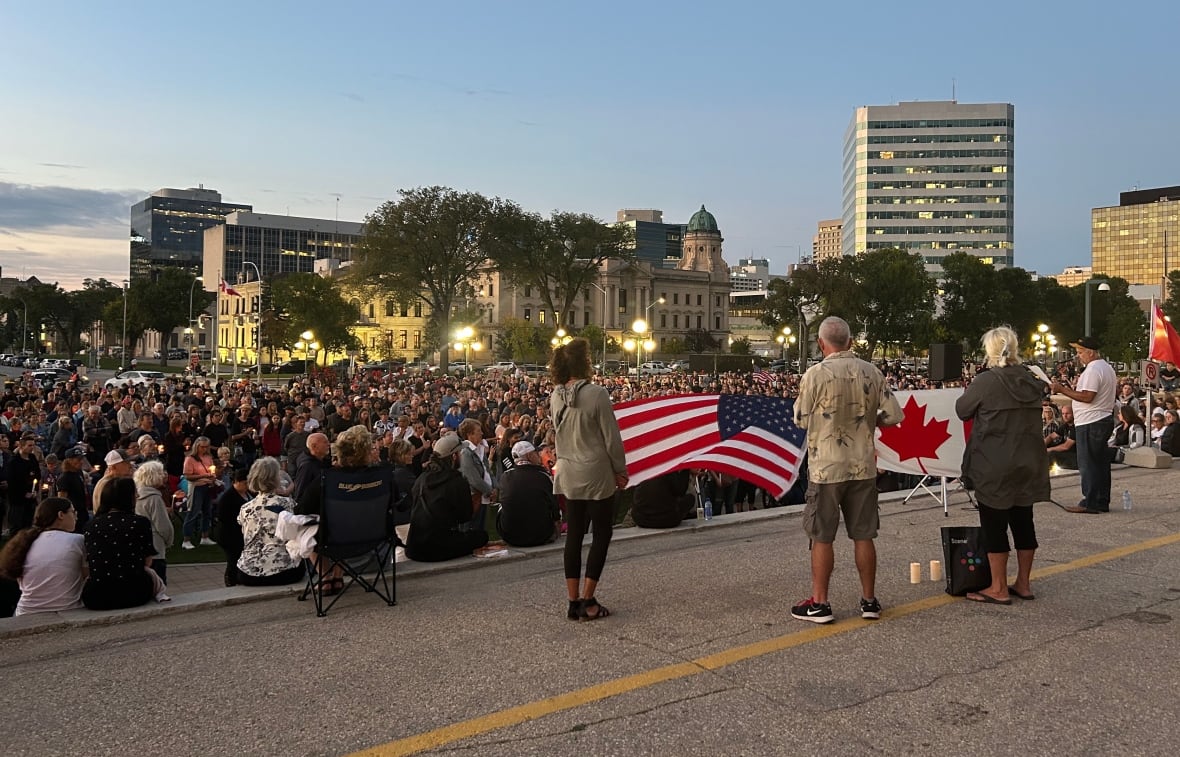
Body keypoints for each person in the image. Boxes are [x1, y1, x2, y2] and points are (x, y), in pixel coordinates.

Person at [790, 316, 904, 624]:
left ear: (821, 343)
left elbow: (800, 417)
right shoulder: (871, 371)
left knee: (822, 536)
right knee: (864, 535)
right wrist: (869, 420)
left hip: (826, 467)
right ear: (851, 342)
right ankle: (869, 600)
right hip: (863, 464)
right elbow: (894, 415)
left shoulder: (815, 374)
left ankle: (820, 604)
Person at [955, 327, 1050, 605]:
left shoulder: (987, 381)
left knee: (994, 525)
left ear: (990, 351)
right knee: (1024, 522)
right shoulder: (1031, 379)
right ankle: (1023, 583)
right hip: (1029, 461)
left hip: (994, 462)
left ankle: (998, 587)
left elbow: (963, 410)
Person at [549, 337, 628, 621]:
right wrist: (620, 469)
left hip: (568, 470)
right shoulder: (597, 394)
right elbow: (611, 437)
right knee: (601, 535)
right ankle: (589, 598)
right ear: (585, 363)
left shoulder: (555, 395)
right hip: (595, 472)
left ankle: (572, 602)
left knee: (575, 536)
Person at [1050, 337, 1117, 513]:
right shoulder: (1106, 368)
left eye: (1081, 352)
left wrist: (1062, 389)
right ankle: (1101, 500)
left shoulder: (1094, 369)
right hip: (1101, 419)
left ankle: (1090, 502)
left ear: (1091, 352)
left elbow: (1088, 396)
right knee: (1100, 463)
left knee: (1088, 463)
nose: (1079, 356)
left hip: (1091, 421)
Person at [82, 477, 169, 609]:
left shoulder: (91, 525)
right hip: (135, 592)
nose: (138, 496)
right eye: (135, 493)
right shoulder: (139, 523)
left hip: (96, 596)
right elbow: (148, 561)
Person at [405, 433, 489, 562]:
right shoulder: (456, 481)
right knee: (481, 536)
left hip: (414, 547)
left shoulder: (421, 479)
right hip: (438, 548)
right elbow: (465, 517)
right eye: (459, 453)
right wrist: (477, 496)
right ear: (454, 456)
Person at [0, 498, 86, 615]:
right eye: (73, 512)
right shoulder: (78, 540)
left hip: (25, 611)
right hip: (69, 608)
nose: (76, 516)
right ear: (61, 515)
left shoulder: (24, 542)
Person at [235, 457, 305, 586]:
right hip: (282, 570)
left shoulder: (245, 508)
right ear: (276, 478)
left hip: (247, 572)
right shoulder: (287, 504)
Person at [496, 440, 560, 547]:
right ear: (529, 455)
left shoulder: (505, 477)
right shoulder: (543, 476)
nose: (538, 455)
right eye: (535, 453)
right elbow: (555, 507)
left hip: (510, 536)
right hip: (541, 535)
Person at [133, 460, 175, 584]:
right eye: (161, 473)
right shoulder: (154, 498)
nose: (164, 476)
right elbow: (163, 526)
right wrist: (169, 541)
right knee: (159, 583)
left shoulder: (136, 496)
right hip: (155, 546)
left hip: (140, 546)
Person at [456, 418, 495, 532]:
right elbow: (474, 479)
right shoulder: (466, 453)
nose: (482, 433)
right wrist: (489, 491)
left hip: (483, 497)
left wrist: (495, 487)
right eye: (479, 431)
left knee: (481, 529)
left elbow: (487, 470)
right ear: (470, 434)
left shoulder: (480, 449)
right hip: (474, 498)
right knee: (472, 530)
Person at [180, 436, 219, 550]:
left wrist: (212, 478)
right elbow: (187, 476)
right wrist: (203, 476)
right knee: (193, 512)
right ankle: (186, 539)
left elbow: (211, 470)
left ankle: (205, 536)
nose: (204, 449)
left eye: (206, 447)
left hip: (207, 486)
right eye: (202, 447)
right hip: (196, 487)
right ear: (197, 446)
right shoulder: (190, 459)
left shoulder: (208, 457)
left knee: (207, 512)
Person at [215, 467, 251, 587]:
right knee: (233, 557)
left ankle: (238, 576)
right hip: (229, 533)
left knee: (239, 556)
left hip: (241, 532)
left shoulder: (247, 493)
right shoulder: (227, 498)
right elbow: (223, 517)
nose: (247, 486)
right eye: (245, 483)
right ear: (237, 482)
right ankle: (230, 578)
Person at [631, 469, 696, 528]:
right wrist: (685, 470)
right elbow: (680, 491)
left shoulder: (645, 470)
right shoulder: (668, 468)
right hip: (667, 519)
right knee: (690, 498)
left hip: (641, 519)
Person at [1046, 405, 1078, 470]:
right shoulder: (1065, 425)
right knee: (1048, 445)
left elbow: (1066, 447)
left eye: (1067, 413)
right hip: (1067, 453)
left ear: (1074, 414)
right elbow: (1051, 436)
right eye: (1063, 414)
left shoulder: (1076, 427)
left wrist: (1049, 449)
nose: (1065, 416)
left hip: (1075, 456)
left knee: (1051, 453)